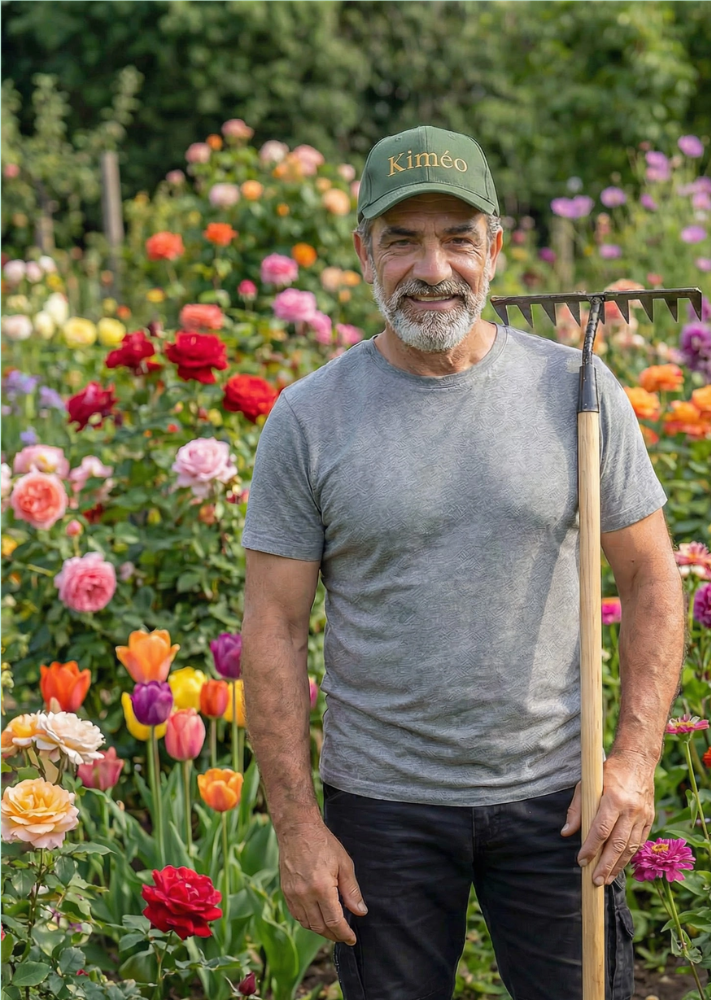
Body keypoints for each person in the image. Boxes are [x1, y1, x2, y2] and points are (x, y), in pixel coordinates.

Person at [241, 125, 685, 1000]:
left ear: (497, 247)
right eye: (403, 240)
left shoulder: (578, 390)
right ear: (364, 249)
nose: (433, 267)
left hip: (564, 797)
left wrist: (632, 763)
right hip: (384, 808)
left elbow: (650, 577)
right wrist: (297, 826)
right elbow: (274, 624)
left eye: (458, 238)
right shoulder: (308, 418)